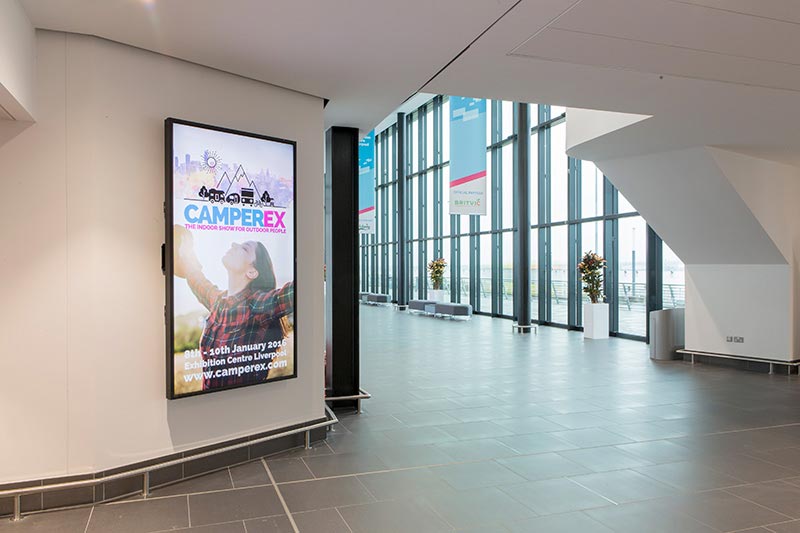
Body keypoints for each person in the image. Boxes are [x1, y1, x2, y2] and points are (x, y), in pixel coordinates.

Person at [174, 225, 293, 390]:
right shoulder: (217, 300)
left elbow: (294, 292)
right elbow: (195, 276)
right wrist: (185, 246)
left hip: (246, 405)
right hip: (207, 406)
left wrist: (322, 268)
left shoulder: (258, 304)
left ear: (252, 272)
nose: (233, 244)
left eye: (244, 248)